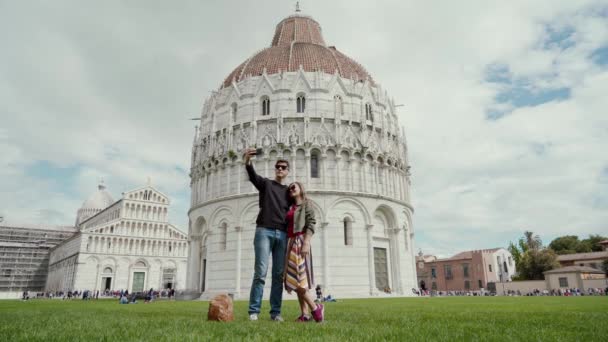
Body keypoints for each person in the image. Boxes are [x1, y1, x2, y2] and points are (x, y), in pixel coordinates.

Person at [244, 148, 291, 322]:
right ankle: (253, 311)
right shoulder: (267, 184)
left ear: (287, 171)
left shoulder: (289, 192)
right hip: (264, 230)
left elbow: (298, 208)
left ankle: (275, 312)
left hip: (282, 234)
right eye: (278, 166)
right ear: (275, 169)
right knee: (260, 272)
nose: (280, 169)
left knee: (278, 274)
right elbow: (252, 175)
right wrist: (247, 160)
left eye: (283, 167)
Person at [284, 181, 324, 322]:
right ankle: (304, 314)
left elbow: (311, 223)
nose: (291, 189)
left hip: (300, 241)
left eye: (294, 186)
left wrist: (306, 242)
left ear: (301, 189)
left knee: (299, 280)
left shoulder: (307, 204)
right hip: (291, 242)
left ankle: (315, 309)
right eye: (289, 188)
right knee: (294, 278)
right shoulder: (290, 207)